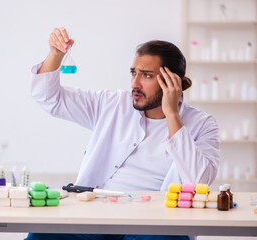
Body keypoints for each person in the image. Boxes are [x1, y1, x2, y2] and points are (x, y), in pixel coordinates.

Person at [27, 27, 220, 240]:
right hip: (95, 217)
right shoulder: (112, 104)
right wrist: (55, 54)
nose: (134, 84)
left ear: (172, 82)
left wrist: (172, 114)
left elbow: (200, 180)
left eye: (146, 75)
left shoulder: (202, 124)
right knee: (43, 234)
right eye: (133, 73)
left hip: (154, 224)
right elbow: (49, 99)